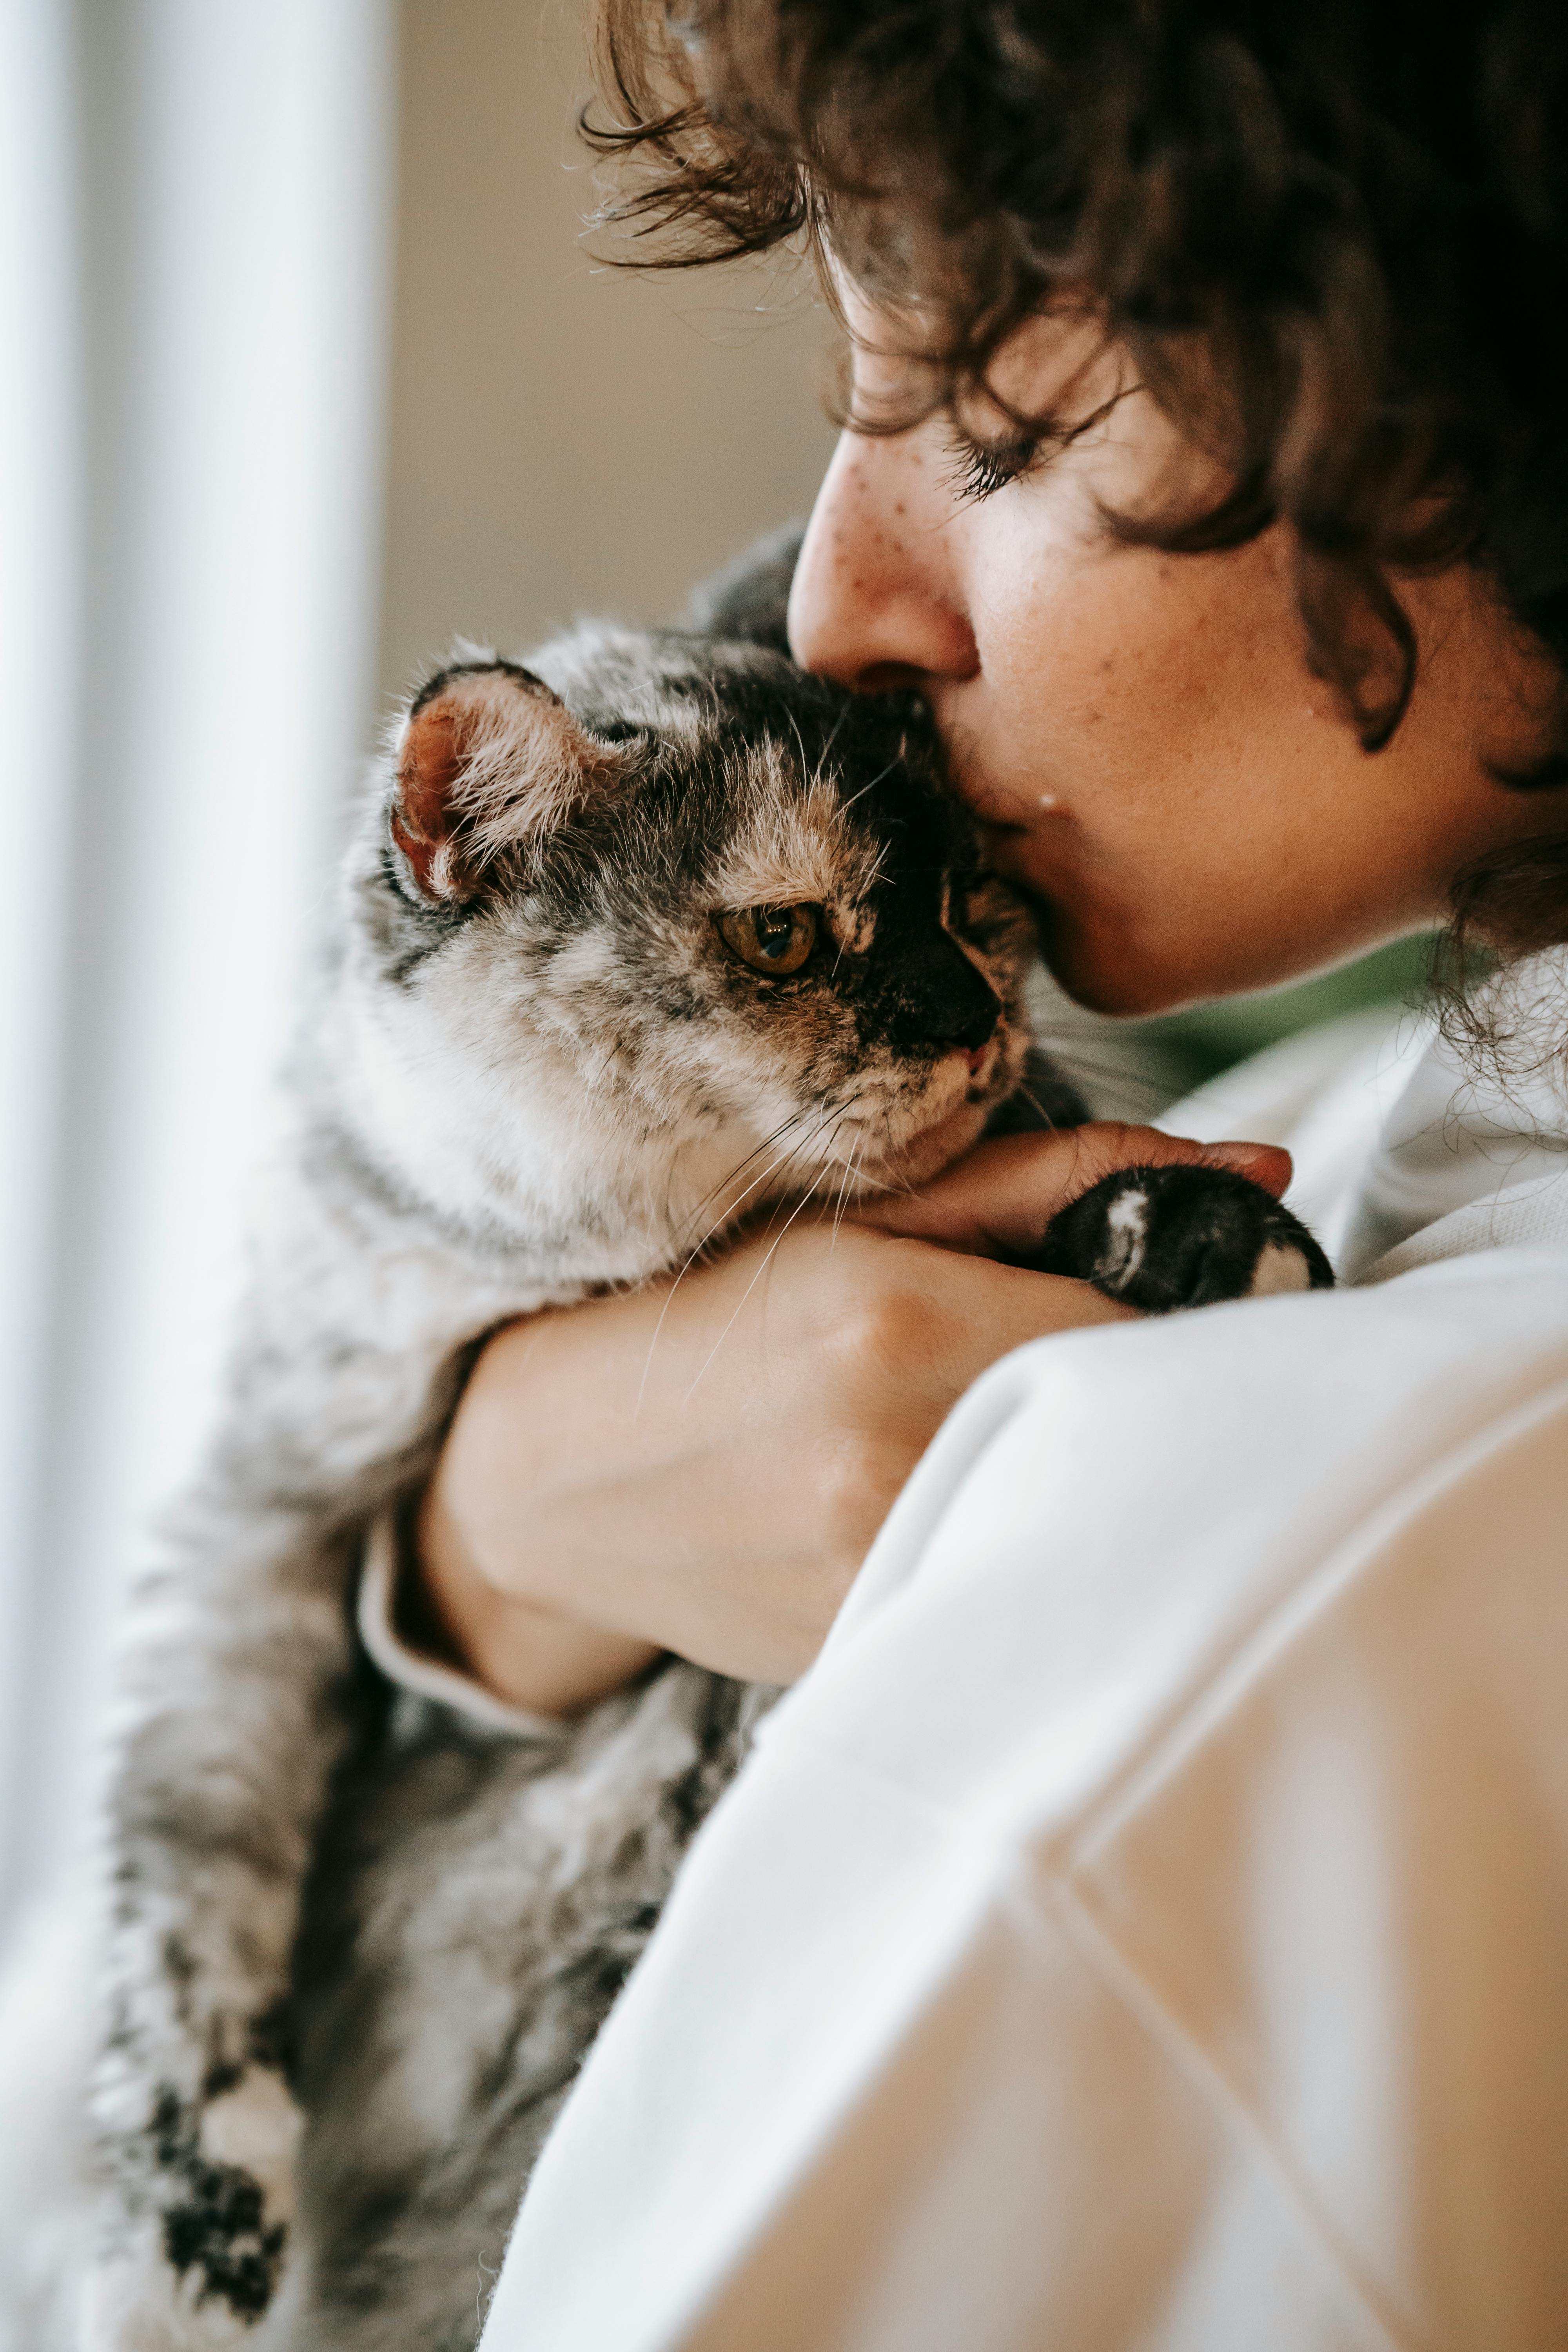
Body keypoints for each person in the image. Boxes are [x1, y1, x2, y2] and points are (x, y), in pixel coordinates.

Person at [370, 5, 1568, 2343]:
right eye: (854, 394)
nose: (835, 614)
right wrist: (501, 1543)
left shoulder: (1254, 1606)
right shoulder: (1339, 1128)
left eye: (995, 420)